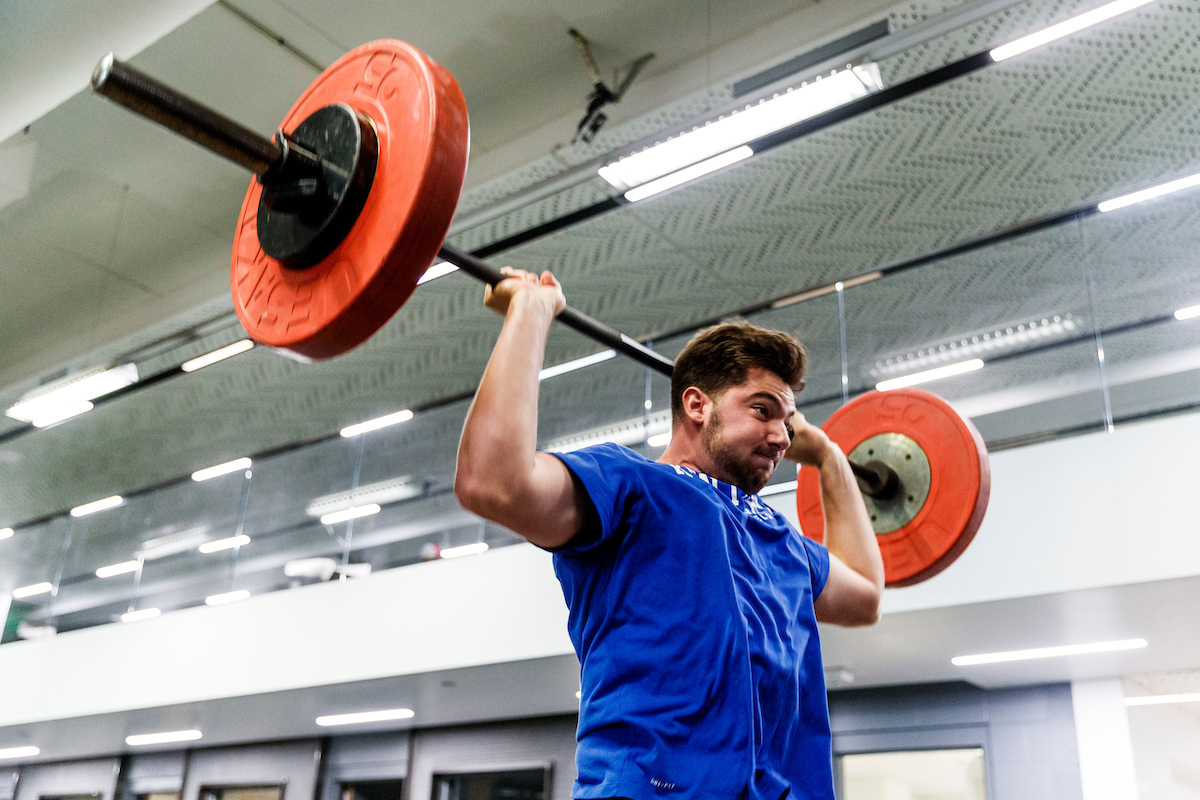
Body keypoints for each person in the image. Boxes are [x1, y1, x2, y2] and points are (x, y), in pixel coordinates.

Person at [455, 268, 884, 800]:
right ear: (697, 405)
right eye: (762, 410)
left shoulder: (781, 540)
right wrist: (531, 313)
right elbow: (493, 484)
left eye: (789, 423)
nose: (781, 437)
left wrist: (828, 457)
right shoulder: (634, 487)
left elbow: (865, 595)